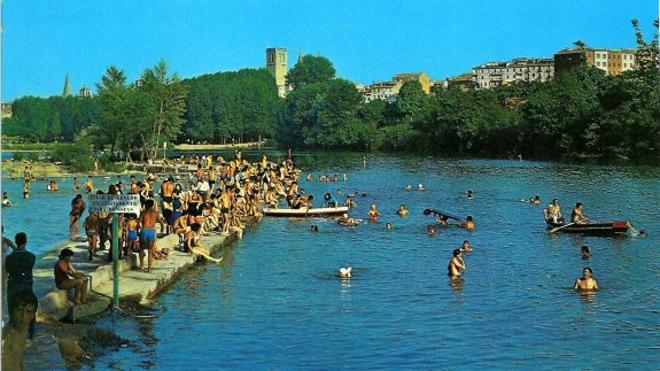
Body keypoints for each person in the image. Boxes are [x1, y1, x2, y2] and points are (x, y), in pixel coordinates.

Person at [5, 232, 36, 338]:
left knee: (12, 309)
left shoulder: (9, 258)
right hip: (26, 285)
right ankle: (31, 334)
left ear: (16, 242)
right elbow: (28, 268)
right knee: (30, 309)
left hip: (13, 285)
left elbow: (8, 269)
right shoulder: (31, 256)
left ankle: (14, 333)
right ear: (25, 241)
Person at [2, 289, 38, 371]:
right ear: (13, 312)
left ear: (33, 314)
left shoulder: (25, 334)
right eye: (20, 310)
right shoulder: (7, 337)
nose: (23, 316)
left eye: (28, 311)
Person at [139, 199, 160, 272]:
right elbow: (161, 221)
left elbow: (139, 223)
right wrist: (162, 228)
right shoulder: (156, 212)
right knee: (150, 250)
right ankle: (149, 268)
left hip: (144, 230)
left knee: (141, 249)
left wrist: (138, 230)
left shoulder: (143, 212)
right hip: (151, 230)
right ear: (152, 205)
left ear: (146, 205)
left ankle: (141, 266)